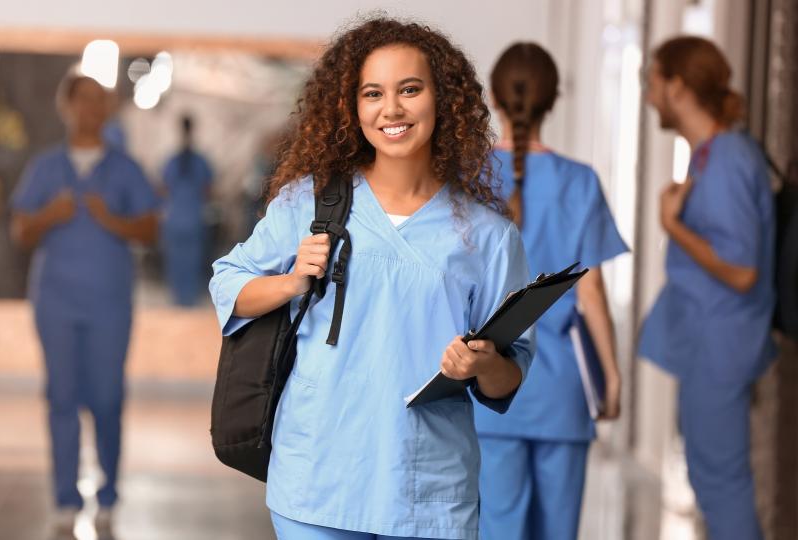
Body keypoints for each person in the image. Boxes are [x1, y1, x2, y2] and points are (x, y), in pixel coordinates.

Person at [209, 18, 534, 540]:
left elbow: (510, 375)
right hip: (318, 478)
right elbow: (228, 284)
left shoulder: (488, 237)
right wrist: (292, 282)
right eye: (373, 93)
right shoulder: (309, 204)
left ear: (443, 98)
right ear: (352, 107)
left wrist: (484, 362)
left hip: (427, 489)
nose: (392, 110)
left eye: (410, 89)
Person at [471, 43, 628, 540]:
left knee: (497, 527)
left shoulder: (467, 179)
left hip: (490, 390)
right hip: (562, 393)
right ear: (554, 100)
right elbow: (593, 292)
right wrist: (612, 376)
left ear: (494, 98)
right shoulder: (580, 182)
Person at [639, 36, 775, 540]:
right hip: (708, 343)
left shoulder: (729, 158)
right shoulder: (709, 154)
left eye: (651, 82)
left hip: (723, 344)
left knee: (721, 483)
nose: (648, 96)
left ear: (676, 87)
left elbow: (742, 271)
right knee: (708, 476)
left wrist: (673, 227)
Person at [11, 70, 158, 533]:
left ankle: (109, 493)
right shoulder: (45, 167)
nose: (91, 108)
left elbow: (150, 229)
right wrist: (47, 216)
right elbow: (19, 231)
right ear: (66, 106)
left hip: (109, 302)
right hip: (55, 299)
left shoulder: (125, 168)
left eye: (100, 100)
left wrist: (112, 221)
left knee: (108, 398)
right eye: (83, 99)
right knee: (61, 397)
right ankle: (64, 497)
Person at [160, 114, 213, 307]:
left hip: (176, 218)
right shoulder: (200, 161)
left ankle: (179, 298)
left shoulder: (172, 161)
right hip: (192, 217)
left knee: (177, 261)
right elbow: (208, 190)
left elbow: (162, 188)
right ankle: (187, 299)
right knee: (191, 260)